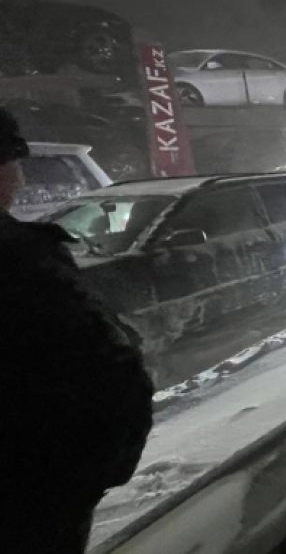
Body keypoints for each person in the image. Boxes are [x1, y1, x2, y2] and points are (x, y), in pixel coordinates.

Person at [0, 107, 154, 553]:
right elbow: (110, 375)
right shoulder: (21, 264)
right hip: (32, 503)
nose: (21, 180)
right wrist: (92, 477)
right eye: (14, 162)